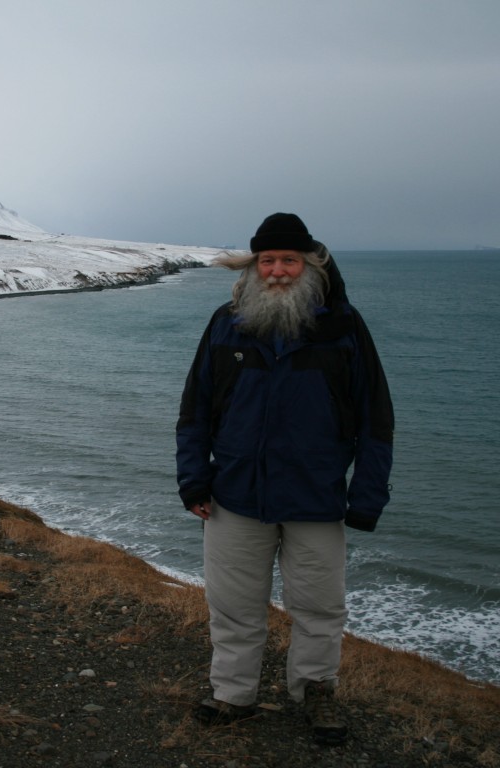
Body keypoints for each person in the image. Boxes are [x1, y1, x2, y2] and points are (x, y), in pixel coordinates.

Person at [176, 213, 393, 745]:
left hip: (316, 498)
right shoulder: (225, 324)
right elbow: (195, 409)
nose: (277, 272)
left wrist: (366, 498)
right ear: (253, 267)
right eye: (267, 261)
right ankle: (232, 695)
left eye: (288, 261)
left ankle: (315, 693)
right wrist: (194, 481)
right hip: (234, 496)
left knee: (319, 608)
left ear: (310, 265)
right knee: (232, 606)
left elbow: (376, 418)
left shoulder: (344, 328)